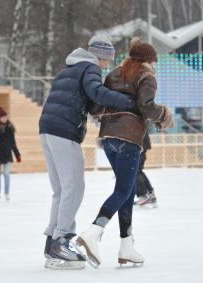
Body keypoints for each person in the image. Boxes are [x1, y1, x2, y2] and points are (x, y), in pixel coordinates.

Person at [39, 34, 136, 270]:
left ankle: (53, 241)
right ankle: (62, 241)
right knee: (74, 187)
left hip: (47, 128)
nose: (107, 66)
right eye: (107, 61)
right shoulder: (90, 67)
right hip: (64, 131)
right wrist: (128, 102)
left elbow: (77, 98)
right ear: (101, 56)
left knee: (61, 190)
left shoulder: (68, 68)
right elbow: (98, 93)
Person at [77, 37, 174, 268]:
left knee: (127, 190)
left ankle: (126, 246)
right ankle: (93, 231)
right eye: (154, 61)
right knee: (123, 190)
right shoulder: (146, 76)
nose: (155, 66)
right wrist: (164, 115)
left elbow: (97, 104)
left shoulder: (113, 75)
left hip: (109, 138)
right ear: (149, 61)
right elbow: (146, 107)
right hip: (129, 139)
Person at [0, 107, 21, 202]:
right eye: (2, 117)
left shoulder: (10, 127)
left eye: (5, 116)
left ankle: (7, 193)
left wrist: (17, 154)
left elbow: (13, 142)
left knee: (7, 174)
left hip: (7, 154)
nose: (4, 118)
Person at [134, 130, 158, 208]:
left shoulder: (137, 119)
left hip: (139, 146)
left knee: (135, 171)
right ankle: (150, 194)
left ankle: (143, 195)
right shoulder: (139, 119)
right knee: (138, 171)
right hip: (141, 145)